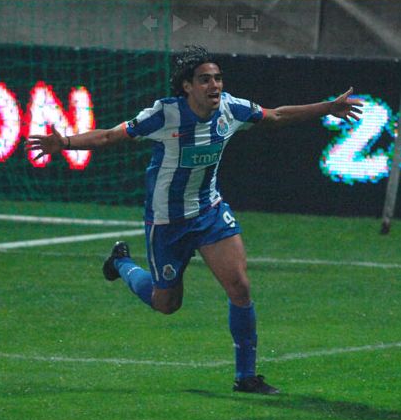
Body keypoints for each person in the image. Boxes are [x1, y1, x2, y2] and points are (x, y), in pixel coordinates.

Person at [26, 45, 362, 395]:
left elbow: (276, 116)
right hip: (167, 221)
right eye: (205, 80)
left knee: (240, 287)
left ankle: (246, 377)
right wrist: (65, 142)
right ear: (187, 86)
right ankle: (121, 262)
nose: (214, 85)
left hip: (209, 212)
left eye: (217, 78)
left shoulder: (231, 108)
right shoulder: (165, 114)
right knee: (166, 303)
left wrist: (328, 107)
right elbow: (111, 135)